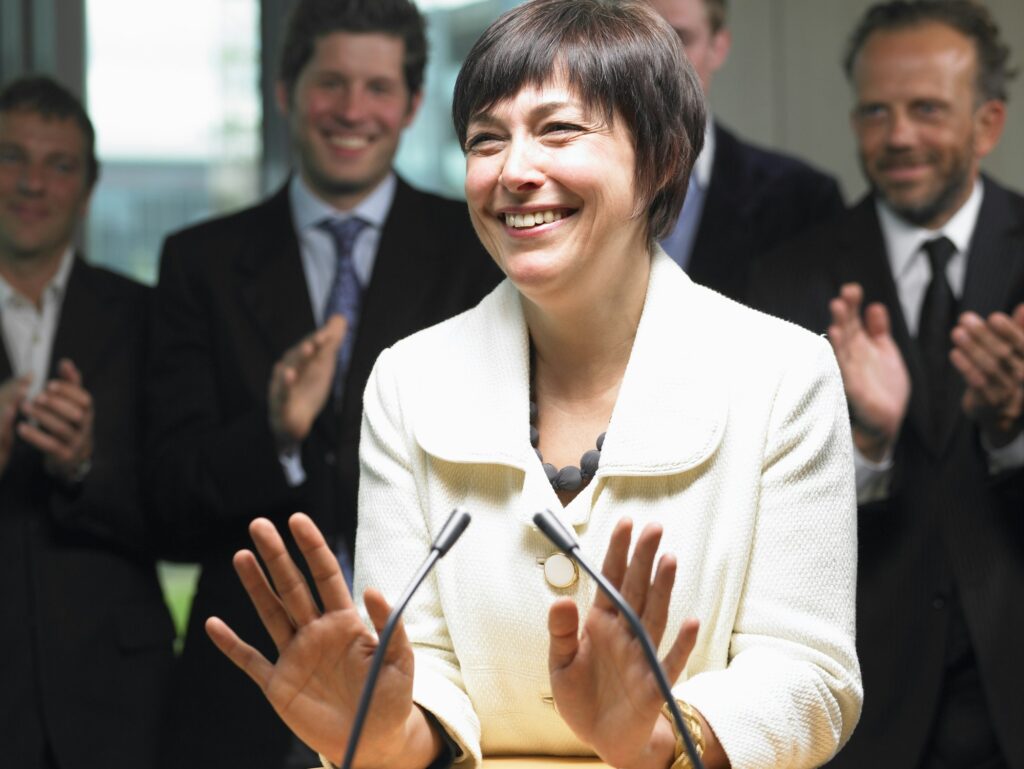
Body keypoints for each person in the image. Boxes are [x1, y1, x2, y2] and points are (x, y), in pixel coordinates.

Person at [207, 1, 863, 768]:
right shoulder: (409, 380)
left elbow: (811, 674)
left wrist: (655, 738)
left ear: (662, 156)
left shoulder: (783, 373)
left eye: (558, 130)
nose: (514, 171)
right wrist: (379, 732)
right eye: (486, 140)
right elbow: (425, 672)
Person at [147, 0, 502, 767]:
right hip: (239, 693)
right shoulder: (197, 262)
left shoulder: (479, 251)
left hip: (441, 684)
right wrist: (273, 433)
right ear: (285, 90)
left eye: (378, 87)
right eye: (330, 82)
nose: (351, 110)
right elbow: (166, 506)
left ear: (412, 104)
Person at [748, 2, 1024, 768]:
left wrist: (1014, 430)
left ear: (988, 121)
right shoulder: (789, 279)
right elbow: (764, 527)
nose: (898, 136)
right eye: (876, 111)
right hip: (864, 710)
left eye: (927, 109)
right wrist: (863, 447)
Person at [0, 75, 173, 769]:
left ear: (87, 187)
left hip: (120, 699)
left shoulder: (146, 316)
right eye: (12, 156)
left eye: (59, 164)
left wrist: (83, 464)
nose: (33, 183)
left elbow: (181, 512)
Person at [644, 0, 844, 303]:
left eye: (680, 38)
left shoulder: (803, 198)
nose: (656, 61)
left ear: (719, 47)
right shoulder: (565, 181)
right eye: (640, 37)